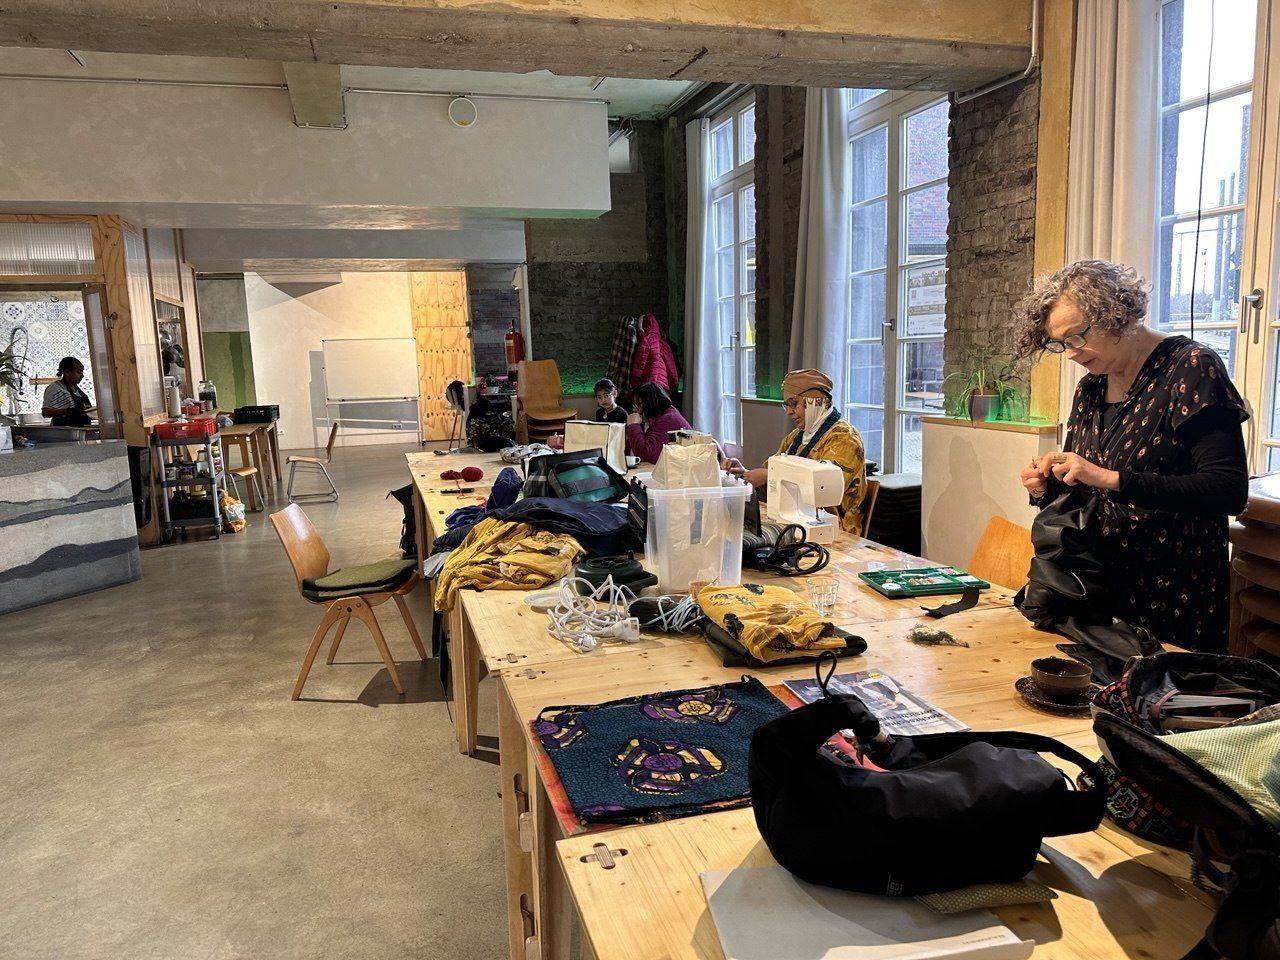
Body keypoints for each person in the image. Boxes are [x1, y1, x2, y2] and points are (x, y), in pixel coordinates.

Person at [1014, 259, 1248, 652]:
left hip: (1173, 592)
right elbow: (1083, 490)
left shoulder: (1190, 368)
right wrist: (1046, 485)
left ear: (1115, 314)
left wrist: (1109, 478)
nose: (1069, 353)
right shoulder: (1090, 388)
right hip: (1099, 592)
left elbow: (1227, 491)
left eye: (1076, 337)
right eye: (1060, 344)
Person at [728, 368, 868, 534]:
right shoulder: (796, 436)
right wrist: (746, 475)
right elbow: (770, 472)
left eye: (794, 403)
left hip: (837, 532)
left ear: (815, 401)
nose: (789, 411)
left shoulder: (845, 439)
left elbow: (826, 487)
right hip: (796, 522)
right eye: (786, 405)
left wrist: (768, 475)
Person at [625, 382, 691, 464]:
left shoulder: (668, 419)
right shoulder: (664, 416)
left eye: (637, 406)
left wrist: (633, 426)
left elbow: (645, 456)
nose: (635, 410)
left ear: (647, 404)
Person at [629, 313, 680, 392]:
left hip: (649, 382)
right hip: (663, 384)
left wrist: (634, 380)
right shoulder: (663, 343)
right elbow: (670, 364)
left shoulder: (646, 339)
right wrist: (674, 381)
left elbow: (640, 361)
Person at [41, 356, 95, 427]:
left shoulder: (77, 389)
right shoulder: (55, 387)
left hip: (80, 430)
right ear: (67, 372)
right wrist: (67, 411)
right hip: (64, 431)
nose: (82, 375)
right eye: (79, 372)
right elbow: (45, 412)